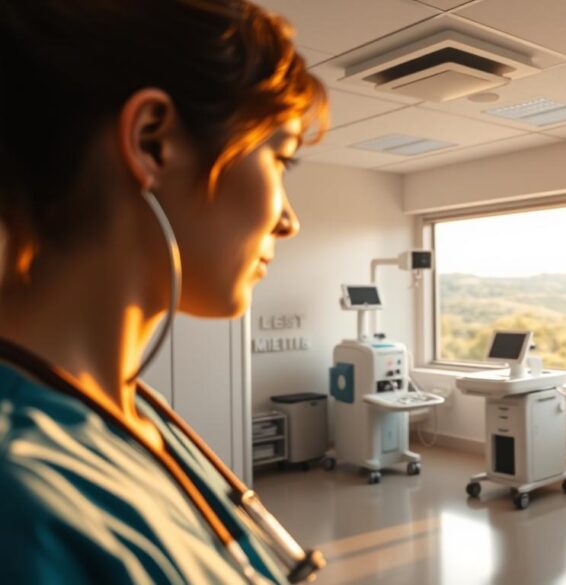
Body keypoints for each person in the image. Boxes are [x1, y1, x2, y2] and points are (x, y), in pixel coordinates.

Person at [0, 1, 328, 582]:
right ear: (153, 143)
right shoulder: (23, 509)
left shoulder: (132, 413)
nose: (288, 222)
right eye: (281, 157)